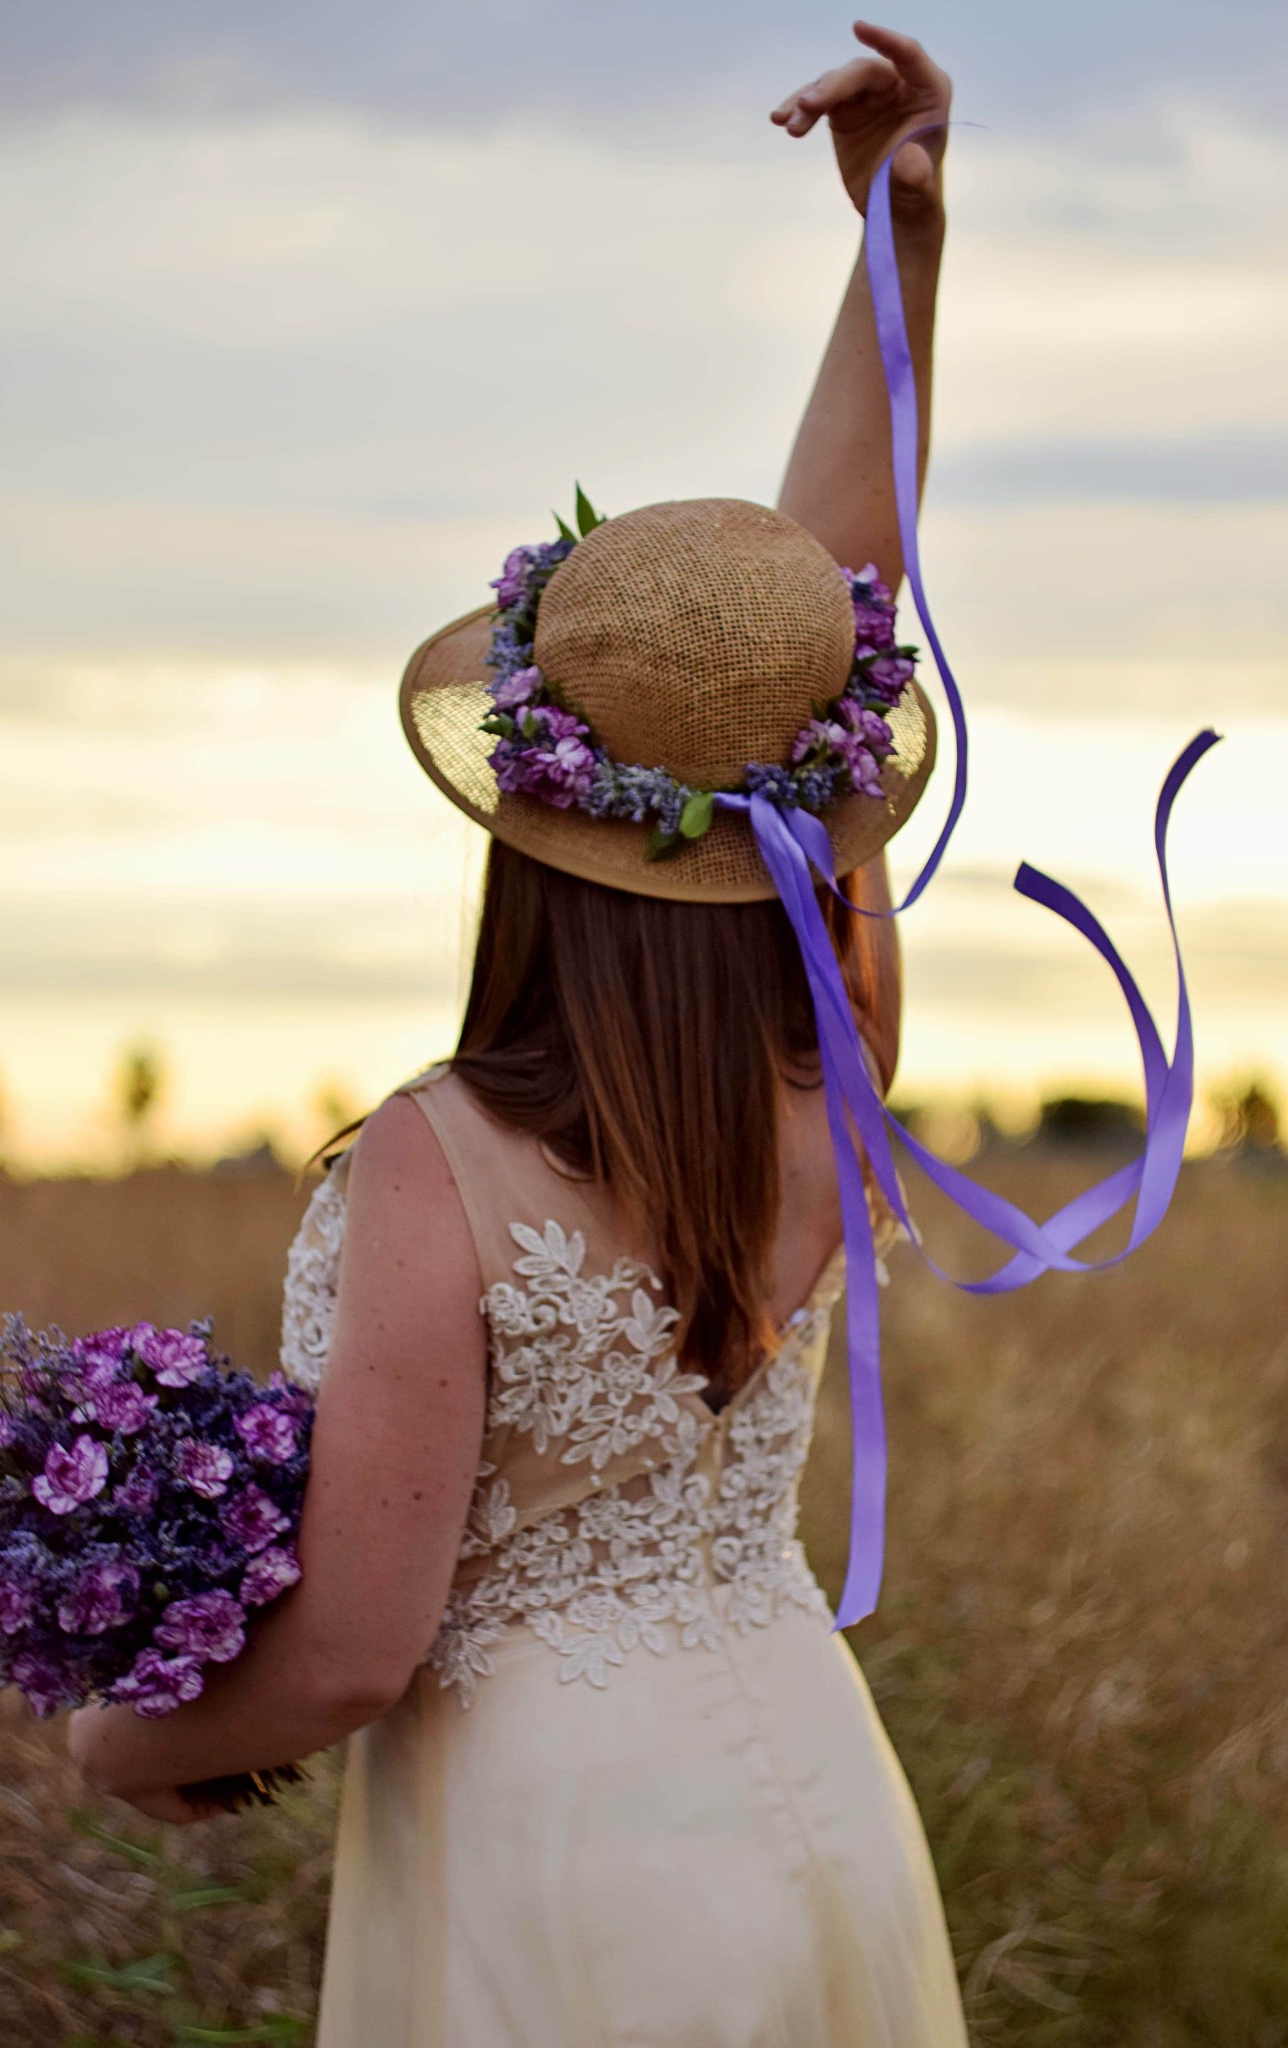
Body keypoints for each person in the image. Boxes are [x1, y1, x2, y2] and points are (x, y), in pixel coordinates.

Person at [71, 23, 971, 2044]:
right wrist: (902, 255)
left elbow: (352, 1652)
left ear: (529, 819)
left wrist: (124, 1749)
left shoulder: (439, 1161)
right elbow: (818, 612)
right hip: (811, 1796)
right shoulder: (829, 1063)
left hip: (561, 1858)